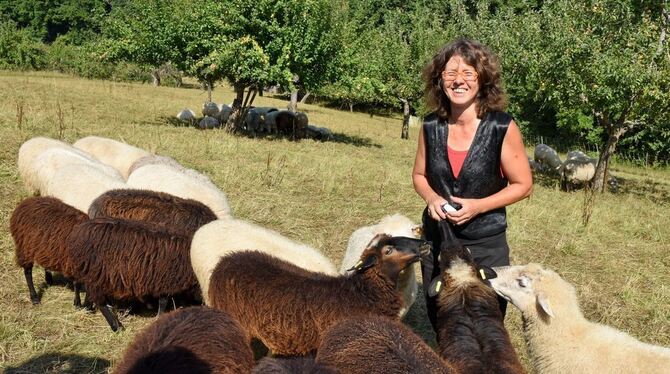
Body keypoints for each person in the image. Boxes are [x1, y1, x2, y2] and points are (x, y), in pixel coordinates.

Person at [412, 38, 533, 331]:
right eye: (450, 73)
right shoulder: (430, 126)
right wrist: (430, 198)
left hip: (485, 245)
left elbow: (523, 184)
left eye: (468, 73)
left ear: (482, 79)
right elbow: (419, 176)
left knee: (486, 324)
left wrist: (479, 206)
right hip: (438, 240)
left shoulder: (501, 127)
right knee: (444, 323)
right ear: (439, 80)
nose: (458, 81)